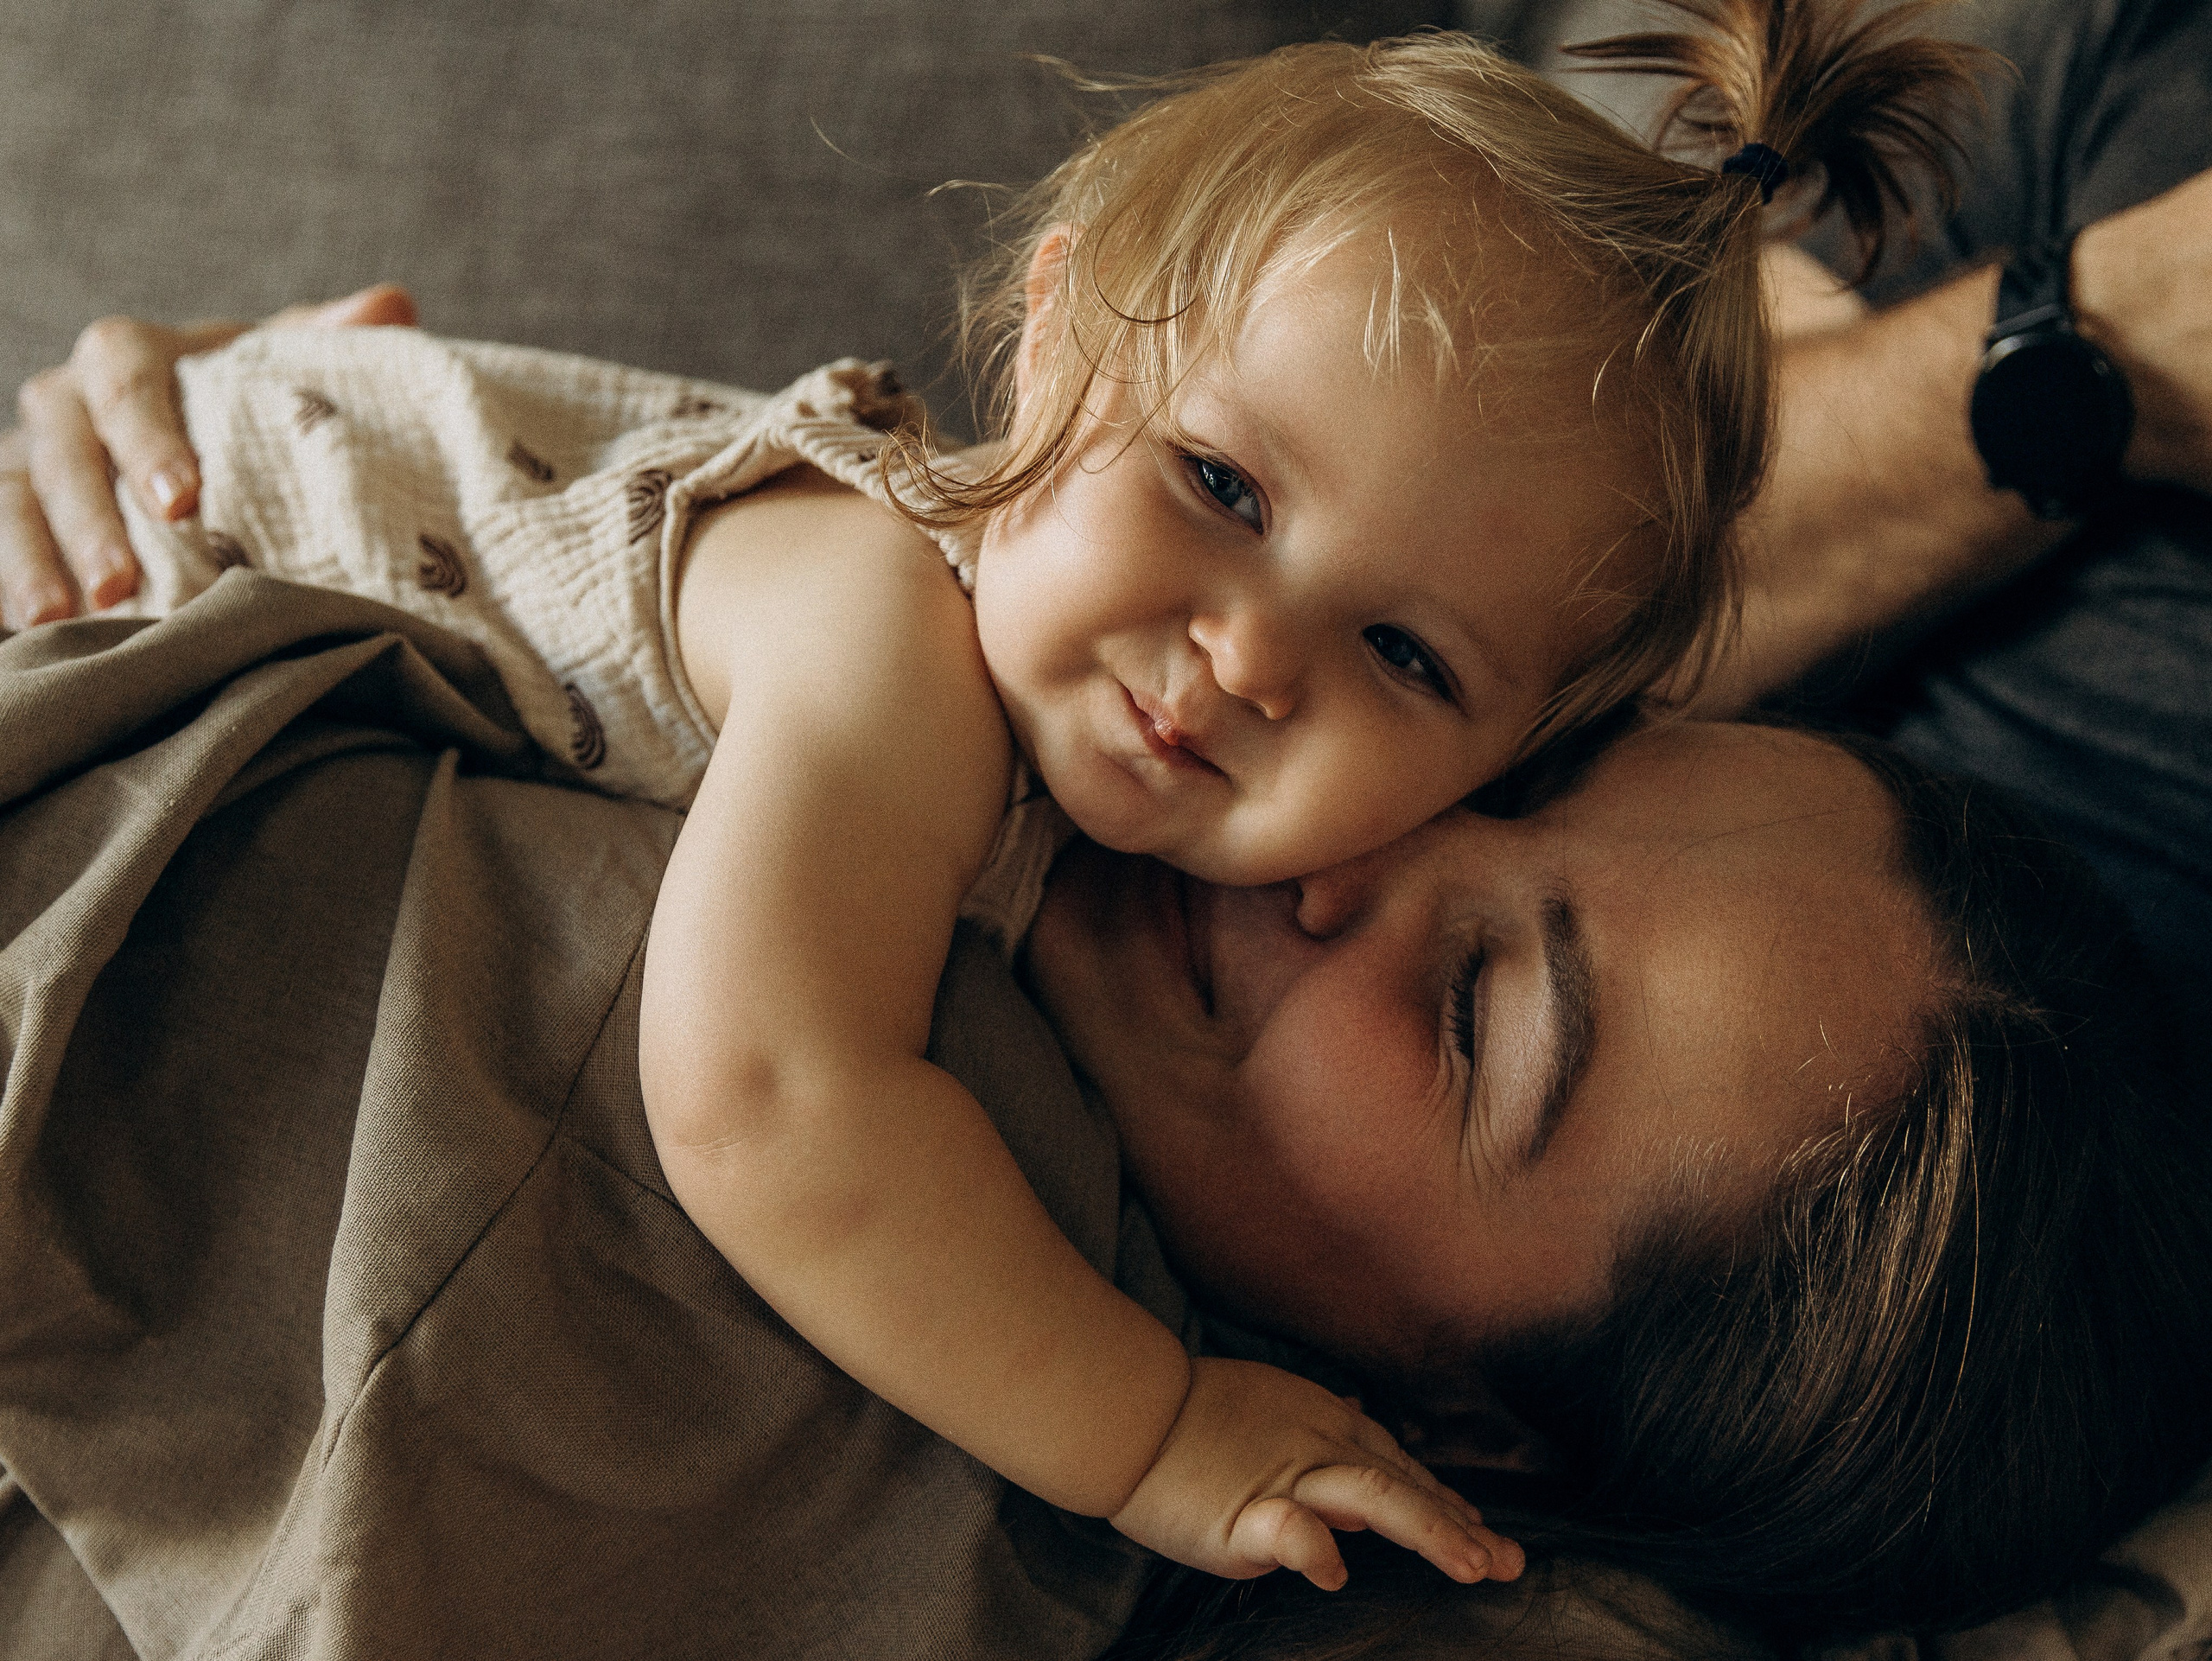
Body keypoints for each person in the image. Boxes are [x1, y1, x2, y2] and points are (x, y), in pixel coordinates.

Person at [0, 8, 1998, 1600]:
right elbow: (766, 1098)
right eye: (1218, 486)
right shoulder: (884, 645)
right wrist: (1150, 1430)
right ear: (1053, 338)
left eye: (1405, 658)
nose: (1244, 659)